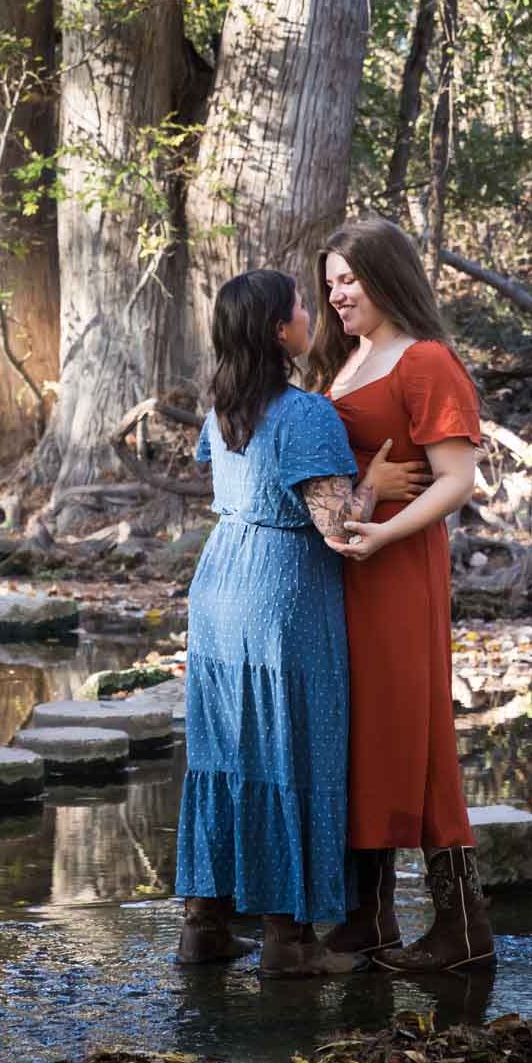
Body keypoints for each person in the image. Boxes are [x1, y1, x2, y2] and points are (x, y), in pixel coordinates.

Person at [175, 267, 425, 978]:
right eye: (297, 306)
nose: (309, 313)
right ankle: (289, 943)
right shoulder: (306, 412)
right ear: (276, 331)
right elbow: (337, 530)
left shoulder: (220, 408)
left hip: (219, 581)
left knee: (224, 756)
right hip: (281, 592)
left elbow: (227, 486)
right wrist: (371, 487)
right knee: (286, 752)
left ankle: (205, 926)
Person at [308, 215, 493, 974]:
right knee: (360, 731)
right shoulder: (346, 362)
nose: (337, 295)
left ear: (386, 277)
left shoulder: (423, 361)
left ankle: (461, 927)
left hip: (398, 568)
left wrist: (385, 533)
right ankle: (366, 918)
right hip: (346, 568)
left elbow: (456, 479)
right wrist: (360, 512)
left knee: (409, 730)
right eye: (328, 284)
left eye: (348, 280)